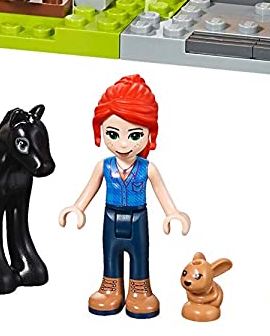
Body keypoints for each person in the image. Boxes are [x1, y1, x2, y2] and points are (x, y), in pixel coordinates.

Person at [60, 75, 191, 318]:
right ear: (99, 130)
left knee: (140, 254)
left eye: (134, 135)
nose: (122, 145)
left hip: (138, 218)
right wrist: (78, 207)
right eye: (112, 134)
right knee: (110, 252)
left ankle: (140, 289)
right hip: (110, 217)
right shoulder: (104, 166)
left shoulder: (148, 169)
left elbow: (161, 192)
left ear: (150, 134)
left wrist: (172, 213)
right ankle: (110, 287)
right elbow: (90, 189)